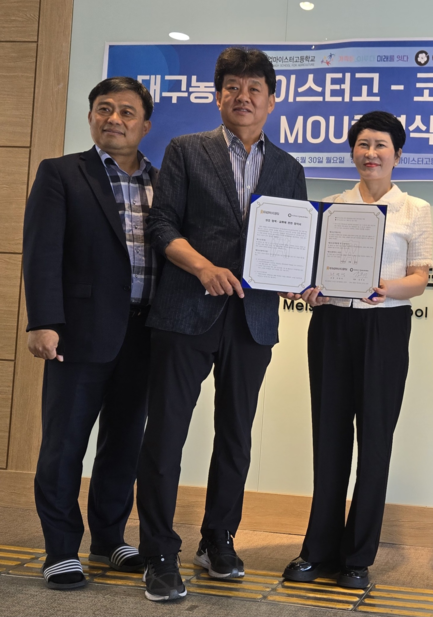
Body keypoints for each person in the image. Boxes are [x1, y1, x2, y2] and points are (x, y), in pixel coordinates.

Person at [135, 46, 307, 602]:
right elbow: (162, 225)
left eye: (255, 89)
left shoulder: (289, 169)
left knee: (236, 435)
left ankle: (218, 539)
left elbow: (296, 245)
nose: (243, 97)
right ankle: (159, 552)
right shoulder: (186, 150)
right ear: (218, 96)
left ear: (272, 100)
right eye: (232, 87)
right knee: (166, 434)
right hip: (185, 311)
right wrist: (203, 268)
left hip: (252, 319)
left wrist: (300, 279)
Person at [282, 111, 432, 590]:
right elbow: (312, 273)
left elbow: (419, 279)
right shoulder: (329, 207)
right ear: (352, 152)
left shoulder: (415, 208)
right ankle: (317, 550)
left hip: (385, 327)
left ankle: (358, 557)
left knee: (375, 441)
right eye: (363, 144)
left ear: (398, 155)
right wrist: (309, 290)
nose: (371, 153)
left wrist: (385, 287)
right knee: (328, 437)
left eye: (381, 145)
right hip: (332, 324)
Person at [22, 77, 157, 589]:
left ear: (145, 125)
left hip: (144, 334)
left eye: (126, 111)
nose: (113, 119)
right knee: (64, 444)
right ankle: (60, 549)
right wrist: (44, 321)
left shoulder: (163, 181)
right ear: (90, 116)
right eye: (104, 109)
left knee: (123, 444)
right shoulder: (61, 173)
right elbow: (41, 252)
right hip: (78, 333)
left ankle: (108, 537)